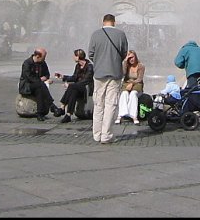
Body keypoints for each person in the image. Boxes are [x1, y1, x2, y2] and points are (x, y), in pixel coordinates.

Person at [88, 13, 128, 144]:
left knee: (99, 103)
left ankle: (97, 134)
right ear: (114, 22)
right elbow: (124, 53)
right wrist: (115, 61)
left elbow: (91, 54)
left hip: (99, 74)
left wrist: (99, 62)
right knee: (111, 104)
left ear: (103, 21)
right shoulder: (121, 34)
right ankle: (107, 135)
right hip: (115, 73)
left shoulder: (95, 34)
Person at [20, 48, 63, 121]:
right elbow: (29, 77)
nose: (44, 59)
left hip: (38, 86)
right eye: (44, 57)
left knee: (39, 90)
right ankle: (52, 106)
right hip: (27, 86)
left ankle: (39, 114)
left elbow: (47, 74)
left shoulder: (42, 63)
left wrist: (46, 78)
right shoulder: (27, 63)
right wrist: (40, 79)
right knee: (39, 85)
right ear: (37, 56)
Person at [174, 39, 200, 122]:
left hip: (193, 72)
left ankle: (191, 114)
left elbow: (177, 62)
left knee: (192, 92)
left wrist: (184, 65)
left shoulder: (184, 49)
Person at [54, 48, 94, 124]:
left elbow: (86, 81)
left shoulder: (89, 67)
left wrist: (71, 85)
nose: (73, 57)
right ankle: (68, 115)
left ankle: (62, 107)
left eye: (74, 56)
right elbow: (74, 77)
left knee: (72, 87)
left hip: (86, 89)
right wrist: (63, 77)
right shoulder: (78, 66)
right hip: (77, 88)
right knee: (73, 92)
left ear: (78, 57)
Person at [117, 50, 145, 125]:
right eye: (129, 58)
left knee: (133, 94)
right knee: (124, 94)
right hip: (126, 83)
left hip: (137, 84)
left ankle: (133, 116)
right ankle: (120, 115)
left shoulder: (141, 66)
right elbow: (122, 73)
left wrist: (132, 84)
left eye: (132, 57)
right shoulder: (126, 65)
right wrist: (125, 61)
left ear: (135, 57)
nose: (131, 59)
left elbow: (140, 78)